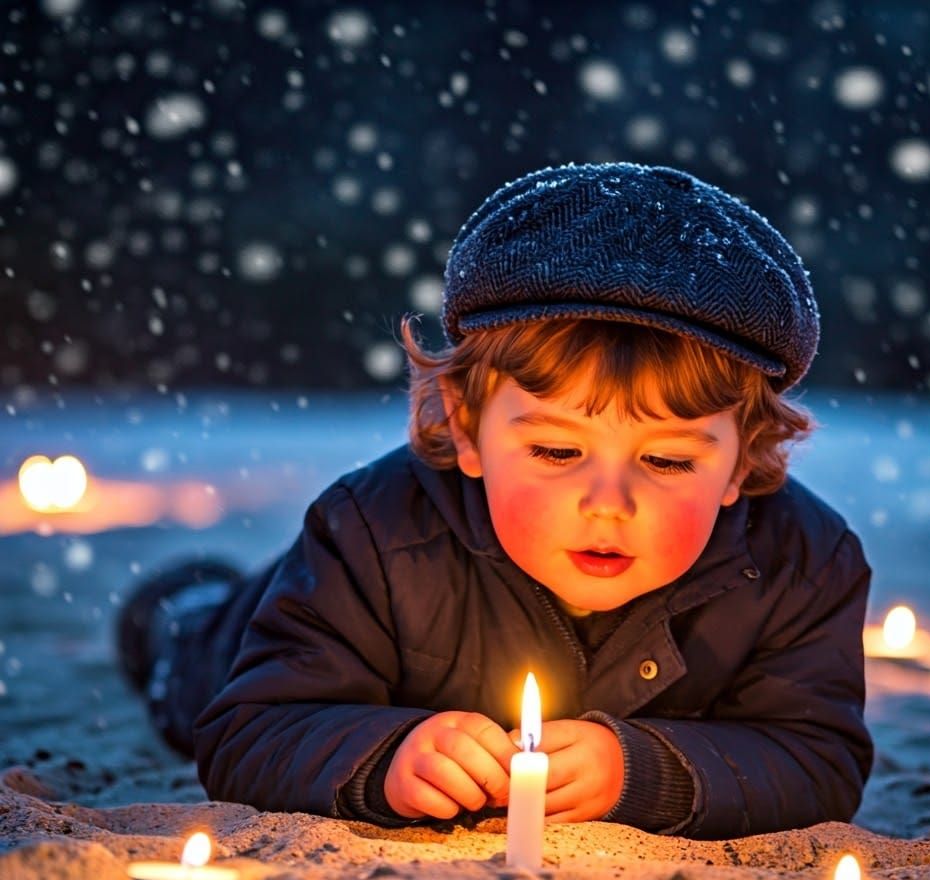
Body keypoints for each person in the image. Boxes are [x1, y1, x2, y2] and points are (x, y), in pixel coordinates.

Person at [117, 162, 873, 839]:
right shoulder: (371, 530)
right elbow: (250, 731)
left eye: (667, 460)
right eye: (555, 451)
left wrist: (641, 768)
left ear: (745, 458)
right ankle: (179, 612)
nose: (608, 504)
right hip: (243, 639)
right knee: (198, 649)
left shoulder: (803, 562)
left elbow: (818, 759)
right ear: (465, 424)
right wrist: (384, 756)